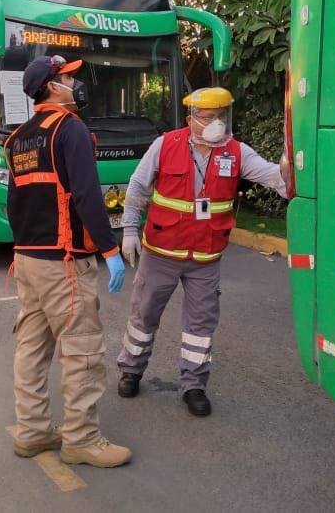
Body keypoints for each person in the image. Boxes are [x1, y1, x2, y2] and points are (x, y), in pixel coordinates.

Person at [115, 87, 291, 416]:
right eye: (208, 117)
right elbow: (139, 185)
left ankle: (194, 384)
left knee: (201, 326)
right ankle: (131, 370)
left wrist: (295, 181)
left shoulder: (236, 152)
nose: (216, 124)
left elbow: (274, 177)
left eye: (221, 116)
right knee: (144, 315)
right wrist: (128, 229)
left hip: (205, 258)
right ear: (191, 118)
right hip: (162, 253)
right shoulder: (166, 144)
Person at [4, 54, 132, 467]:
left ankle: (33, 431)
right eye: (66, 78)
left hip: (27, 259)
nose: (73, 84)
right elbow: (88, 195)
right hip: (63, 261)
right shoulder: (70, 129)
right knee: (82, 350)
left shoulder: (17, 138)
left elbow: (14, 203)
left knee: (31, 349)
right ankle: (80, 439)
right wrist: (110, 249)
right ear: (51, 87)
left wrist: (26, 249)